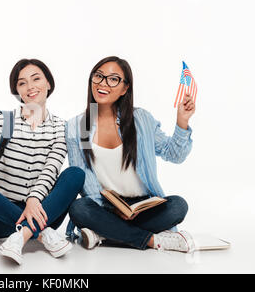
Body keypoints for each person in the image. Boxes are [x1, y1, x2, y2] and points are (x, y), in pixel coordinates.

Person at [0, 58, 85, 264]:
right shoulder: (8, 120)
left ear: (48, 83)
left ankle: (23, 235)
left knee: (75, 174)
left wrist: (33, 199)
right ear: (17, 91)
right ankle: (39, 233)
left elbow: (51, 169)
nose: (30, 87)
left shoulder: (59, 127)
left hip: (42, 212)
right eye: (22, 83)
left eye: (36, 79)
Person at [65, 56, 196, 252]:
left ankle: (104, 234)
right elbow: (84, 179)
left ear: (125, 88)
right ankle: (152, 240)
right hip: (106, 207)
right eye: (99, 76)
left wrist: (182, 122)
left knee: (178, 206)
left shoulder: (140, 119)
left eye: (113, 79)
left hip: (144, 207)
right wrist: (114, 210)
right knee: (79, 208)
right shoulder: (77, 126)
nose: (103, 83)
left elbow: (174, 155)